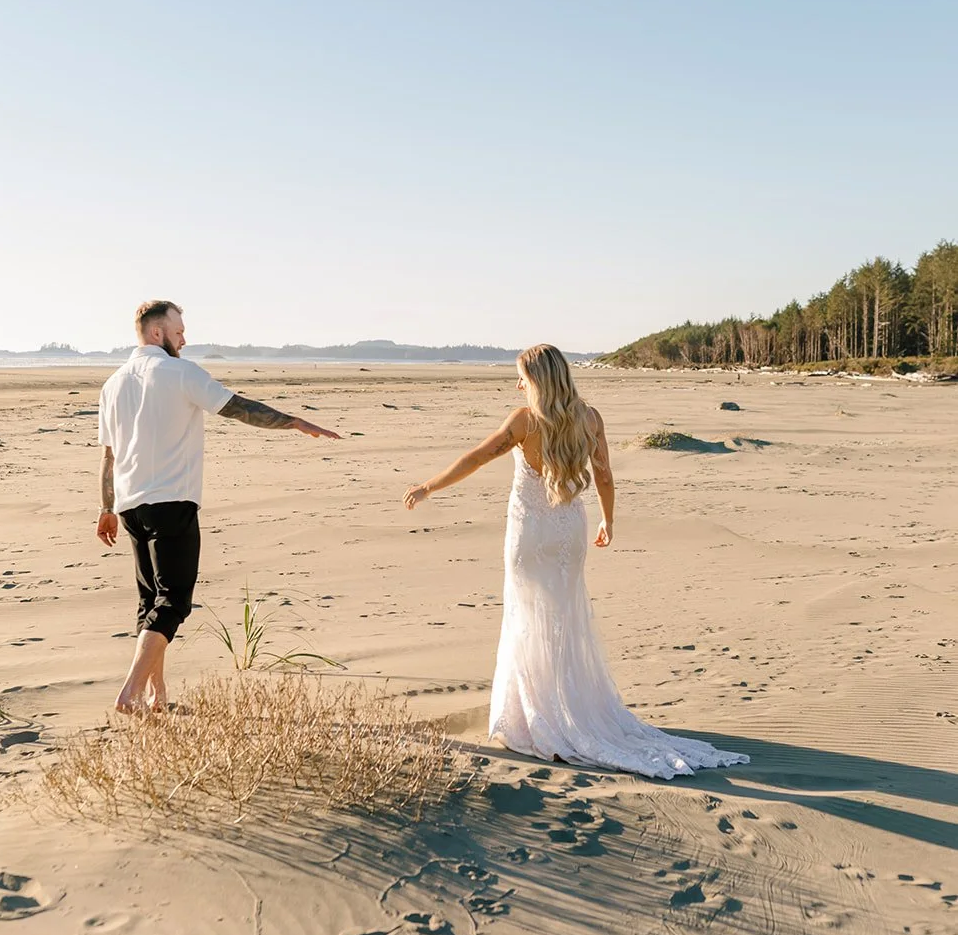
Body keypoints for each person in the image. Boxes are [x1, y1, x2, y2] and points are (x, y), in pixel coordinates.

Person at [402, 344, 748, 777]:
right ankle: (569, 708)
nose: (518, 385)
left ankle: (532, 718)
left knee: (527, 618)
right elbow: (603, 474)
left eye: (523, 379)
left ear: (538, 381)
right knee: (565, 620)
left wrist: (428, 487)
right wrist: (608, 519)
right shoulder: (590, 417)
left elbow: (476, 457)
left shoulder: (524, 421)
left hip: (528, 535)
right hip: (570, 532)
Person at [97, 299, 339, 713]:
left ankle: (156, 695)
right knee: (173, 601)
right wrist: (294, 422)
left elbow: (109, 456)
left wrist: (106, 508)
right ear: (157, 333)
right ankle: (131, 692)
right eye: (179, 330)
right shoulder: (178, 372)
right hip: (171, 500)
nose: (184, 338)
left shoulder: (113, 383)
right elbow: (237, 408)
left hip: (129, 506)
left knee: (150, 601)